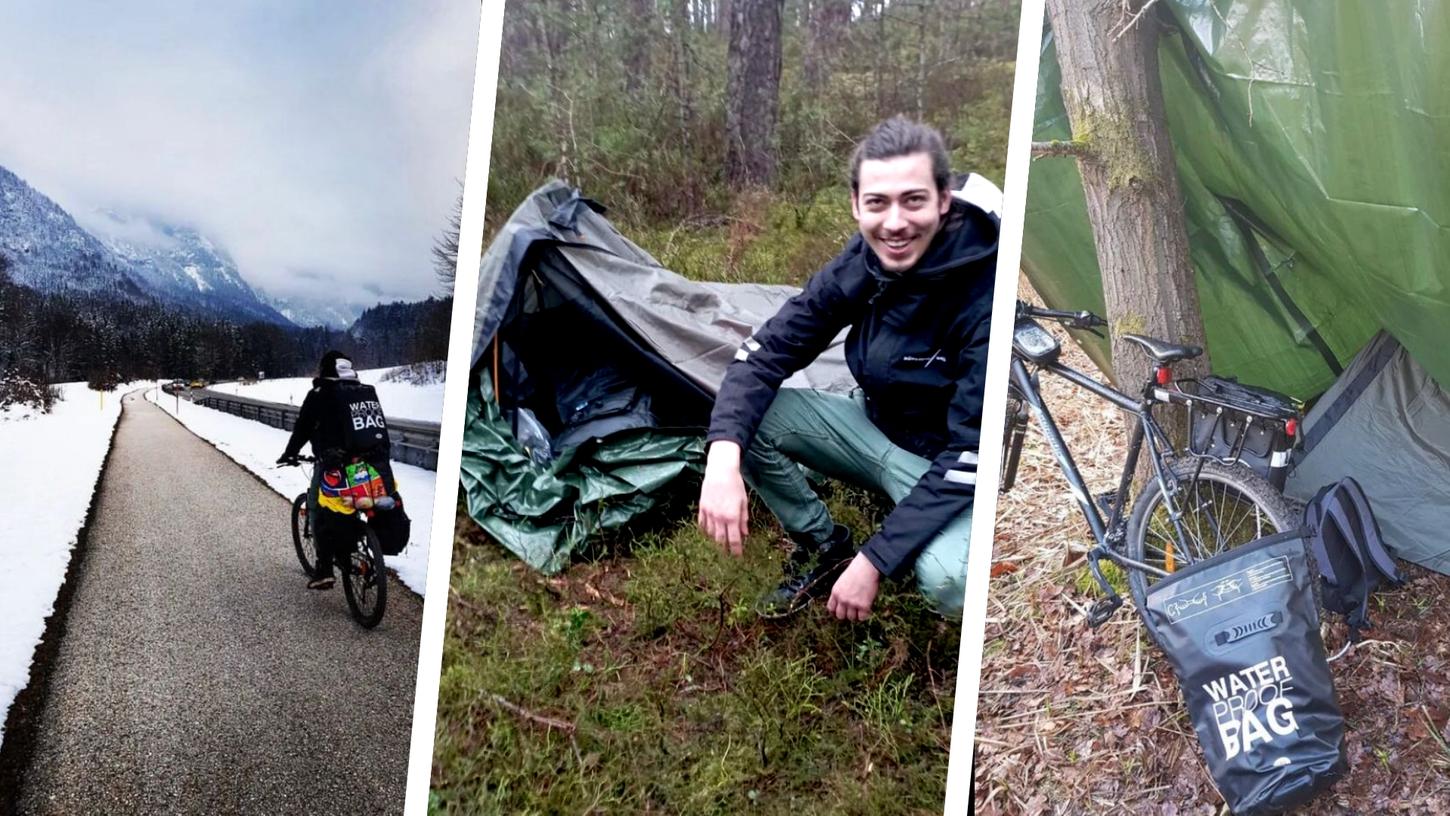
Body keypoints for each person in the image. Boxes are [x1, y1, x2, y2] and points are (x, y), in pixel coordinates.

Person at [697, 116, 997, 621]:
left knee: (954, 582)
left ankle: (901, 541)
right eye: (878, 203)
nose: (895, 222)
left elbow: (972, 453)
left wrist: (875, 560)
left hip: (942, 462)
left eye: (914, 200)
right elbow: (763, 354)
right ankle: (822, 545)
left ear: (943, 200)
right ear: (857, 205)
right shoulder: (866, 259)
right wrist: (721, 461)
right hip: (871, 427)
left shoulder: (985, 293)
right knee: (747, 421)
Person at [278, 350, 396, 590]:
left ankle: (324, 569)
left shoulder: (319, 394)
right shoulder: (361, 392)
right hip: (371, 463)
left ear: (324, 369)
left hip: (334, 465)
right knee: (358, 502)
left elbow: (303, 428)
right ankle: (359, 544)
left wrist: (289, 453)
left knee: (316, 506)